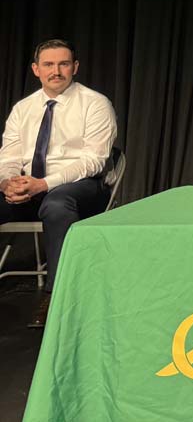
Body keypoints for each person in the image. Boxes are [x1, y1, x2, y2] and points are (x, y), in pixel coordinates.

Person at [0, 39, 117, 327]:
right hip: (30, 187)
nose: (56, 71)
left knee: (56, 204)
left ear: (74, 67)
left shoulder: (95, 104)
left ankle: (56, 297)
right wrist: (7, 183)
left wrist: (44, 183)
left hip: (82, 187)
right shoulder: (23, 108)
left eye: (63, 64)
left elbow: (94, 161)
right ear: (36, 69)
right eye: (49, 64)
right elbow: (10, 156)